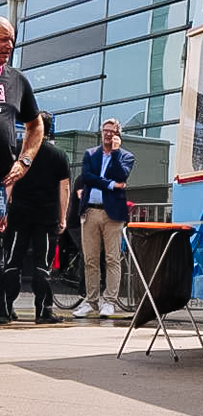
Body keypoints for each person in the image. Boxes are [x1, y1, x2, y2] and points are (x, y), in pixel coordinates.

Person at [2, 111, 70, 323]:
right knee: (43, 265)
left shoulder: (18, 151)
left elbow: (9, 181)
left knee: (12, 262)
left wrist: (5, 209)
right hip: (46, 217)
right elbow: (64, 189)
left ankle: (4, 311)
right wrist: (62, 217)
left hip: (19, 215)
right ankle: (43, 312)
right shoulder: (58, 155)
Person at [0, 16, 44, 325]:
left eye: (12, 39)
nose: (10, 45)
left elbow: (35, 125)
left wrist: (24, 160)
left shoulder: (17, 80)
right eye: (3, 38)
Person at [73, 118, 135, 319]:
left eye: (112, 131)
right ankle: (90, 300)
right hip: (90, 211)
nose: (107, 134)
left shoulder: (126, 156)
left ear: (118, 134)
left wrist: (116, 153)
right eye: (105, 130)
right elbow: (87, 177)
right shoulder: (91, 154)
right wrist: (110, 185)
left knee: (112, 258)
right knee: (90, 259)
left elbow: (121, 176)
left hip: (112, 214)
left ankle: (109, 301)